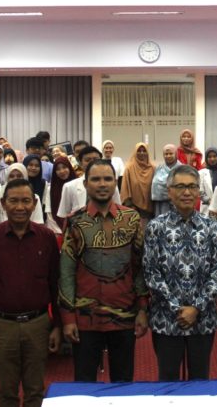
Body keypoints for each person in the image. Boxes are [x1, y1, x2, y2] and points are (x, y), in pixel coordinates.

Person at [0, 177, 61, 407]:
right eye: (14, 201)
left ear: (34, 203)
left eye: (26, 201)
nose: (20, 207)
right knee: (6, 392)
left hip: (38, 324)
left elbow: (55, 285)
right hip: (2, 326)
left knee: (35, 391)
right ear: (3, 203)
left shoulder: (47, 237)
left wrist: (57, 326)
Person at [59, 159, 149, 382]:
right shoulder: (75, 221)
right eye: (96, 179)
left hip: (124, 315)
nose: (102, 184)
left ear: (115, 183)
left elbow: (139, 268)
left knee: (123, 384)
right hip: (85, 318)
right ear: (86, 184)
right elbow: (67, 272)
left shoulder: (131, 218)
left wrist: (142, 309)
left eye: (108, 179)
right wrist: (68, 317)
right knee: (84, 385)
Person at [143, 165, 217, 380]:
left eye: (192, 186)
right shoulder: (155, 227)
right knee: (168, 378)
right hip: (167, 319)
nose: (187, 192)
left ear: (199, 191)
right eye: (180, 187)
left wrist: (196, 308)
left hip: (203, 318)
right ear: (169, 191)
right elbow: (151, 271)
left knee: (200, 379)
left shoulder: (213, 227)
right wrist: (176, 308)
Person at [57, 147, 120, 220]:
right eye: (87, 160)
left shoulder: (110, 184)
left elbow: (118, 208)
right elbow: (64, 215)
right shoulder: (69, 186)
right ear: (80, 163)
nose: (92, 162)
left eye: (96, 159)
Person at [120, 143, 156, 221]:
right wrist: (130, 207)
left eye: (144, 151)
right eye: (139, 151)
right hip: (134, 210)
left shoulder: (153, 168)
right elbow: (125, 189)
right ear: (135, 152)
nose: (141, 153)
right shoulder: (129, 168)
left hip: (151, 210)